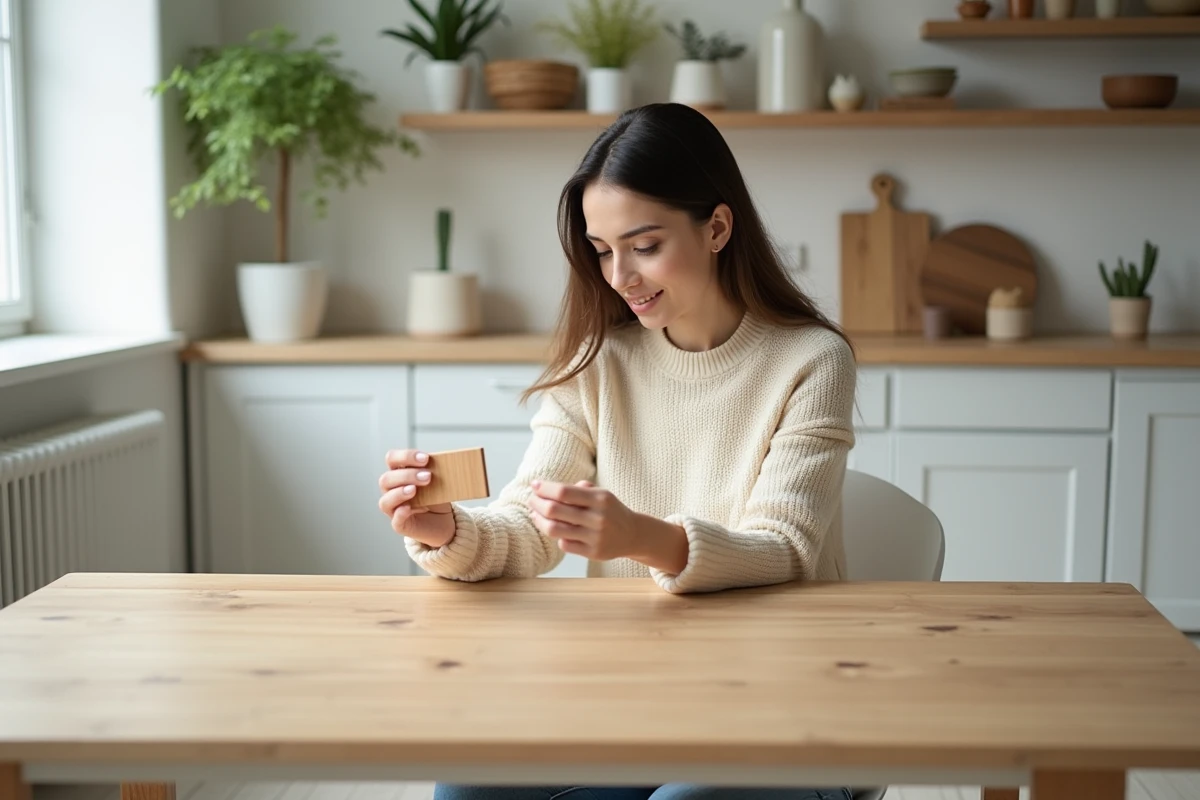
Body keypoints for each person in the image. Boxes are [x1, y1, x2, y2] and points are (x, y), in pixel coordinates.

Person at [378, 102, 858, 800]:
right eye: (602, 250)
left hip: (782, 701)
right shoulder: (597, 363)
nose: (619, 276)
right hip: (633, 695)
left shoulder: (812, 361)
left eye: (644, 245)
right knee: (467, 787)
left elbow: (784, 548)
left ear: (718, 227)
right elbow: (529, 528)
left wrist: (644, 538)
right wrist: (449, 532)